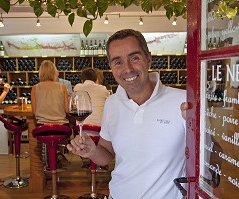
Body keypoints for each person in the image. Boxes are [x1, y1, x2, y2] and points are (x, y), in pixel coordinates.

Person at [67, 29, 187, 199]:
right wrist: (92, 151)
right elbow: (106, 155)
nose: (128, 69)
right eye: (118, 62)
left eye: (134, 58)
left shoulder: (182, 102)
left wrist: (197, 132)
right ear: (111, 67)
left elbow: (212, 156)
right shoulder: (112, 103)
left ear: (148, 58)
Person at [73, 67, 110, 168]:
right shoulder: (103, 89)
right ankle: (102, 159)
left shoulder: (77, 88)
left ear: (82, 80)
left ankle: (87, 158)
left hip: (82, 130)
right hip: (100, 131)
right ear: (96, 79)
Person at [31, 60, 69, 126]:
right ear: (54, 72)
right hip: (60, 127)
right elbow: (67, 110)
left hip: (42, 128)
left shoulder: (35, 88)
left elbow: (34, 111)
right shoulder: (62, 87)